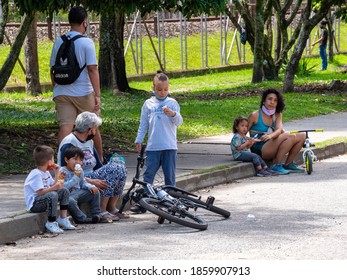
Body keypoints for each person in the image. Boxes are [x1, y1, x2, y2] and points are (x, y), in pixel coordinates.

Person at [49, 6, 103, 160]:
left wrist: (58, 89)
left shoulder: (59, 41)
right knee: (93, 126)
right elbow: (92, 69)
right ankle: (99, 159)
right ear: (84, 21)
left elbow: (52, 70)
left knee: (65, 126)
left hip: (61, 92)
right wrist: (97, 95)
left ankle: (61, 162)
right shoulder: (86, 43)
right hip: (83, 93)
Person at [57, 112, 128, 221]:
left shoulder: (89, 141)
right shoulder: (70, 142)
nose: (95, 132)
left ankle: (112, 207)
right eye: (95, 129)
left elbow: (98, 165)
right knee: (113, 169)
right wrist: (91, 181)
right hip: (78, 178)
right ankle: (102, 210)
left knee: (119, 167)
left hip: (90, 175)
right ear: (89, 129)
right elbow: (66, 170)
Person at [132, 71, 183, 213]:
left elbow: (179, 122)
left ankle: (171, 203)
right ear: (153, 88)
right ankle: (144, 202)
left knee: (170, 177)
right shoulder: (148, 104)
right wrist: (139, 139)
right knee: (148, 175)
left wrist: (173, 114)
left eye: (165, 89)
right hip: (153, 147)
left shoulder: (172, 103)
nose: (162, 92)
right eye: (159, 89)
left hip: (169, 146)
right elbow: (143, 124)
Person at [248, 89, 305, 175]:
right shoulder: (255, 115)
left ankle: (288, 164)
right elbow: (241, 133)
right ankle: (276, 165)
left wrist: (270, 136)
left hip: (272, 143)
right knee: (289, 136)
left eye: (275, 100)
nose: (272, 102)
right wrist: (246, 144)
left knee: (302, 136)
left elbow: (279, 130)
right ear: (264, 101)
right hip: (259, 149)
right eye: (270, 99)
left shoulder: (277, 114)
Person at [24, 145, 76, 234]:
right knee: (52, 194)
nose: (54, 161)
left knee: (64, 191)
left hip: (45, 198)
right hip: (35, 204)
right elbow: (40, 192)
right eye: (53, 159)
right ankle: (51, 222)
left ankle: (63, 218)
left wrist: (57, 173)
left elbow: (54, 185)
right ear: (49, 162)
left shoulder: (46, 173)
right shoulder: (36, 174)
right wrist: (53, 188)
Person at [59, 145, 101, 224]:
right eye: (75, 159)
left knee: (95, 192)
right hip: (68, 195)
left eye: (80, 160)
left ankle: (96, 214)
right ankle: (81, 218)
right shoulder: (61, 171)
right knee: (70, 201)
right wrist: (75, 178)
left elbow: (83, 182)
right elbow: (62, 186)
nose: (78, 162)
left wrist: (90, 186)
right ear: (66, 160)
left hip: (78, 192)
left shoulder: (80, 170)